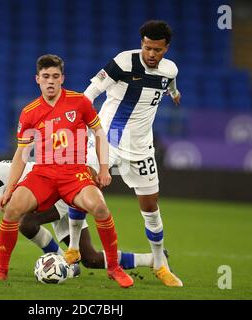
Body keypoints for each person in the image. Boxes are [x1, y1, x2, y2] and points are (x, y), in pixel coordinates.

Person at [0, 54, 134, 288]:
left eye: (55, 76)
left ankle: (114, 268)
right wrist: (10, 189)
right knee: (12, 209)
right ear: (38, 79)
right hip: (43, 174)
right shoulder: (29, 112)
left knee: (100, 207)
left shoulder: (80, 102)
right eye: (46, 77)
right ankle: (1, 270)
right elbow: (21, 155)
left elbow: (99, 134)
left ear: (62, 78)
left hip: (74, 173)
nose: (51, 81)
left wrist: (104, 168)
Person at [69, 20, 183, 287]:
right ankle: (73, 251)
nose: (151, 54)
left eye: (157, 49)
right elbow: (90, 93)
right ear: (141, 43)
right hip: (108, 138)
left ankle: (159, 264)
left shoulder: (170, 69)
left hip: (142, 148)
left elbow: (171, 84)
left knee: (150, 208)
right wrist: (80, 124)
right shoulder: (122, 62)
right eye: (147, 48)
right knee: (81, 188)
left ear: (166, 48)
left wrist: (175, 94)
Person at [0, 155, 168, 273]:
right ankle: (151, 259)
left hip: (56, 188)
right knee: (90, 258)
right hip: (45, 199)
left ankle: (60, 263)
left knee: (26, 223)